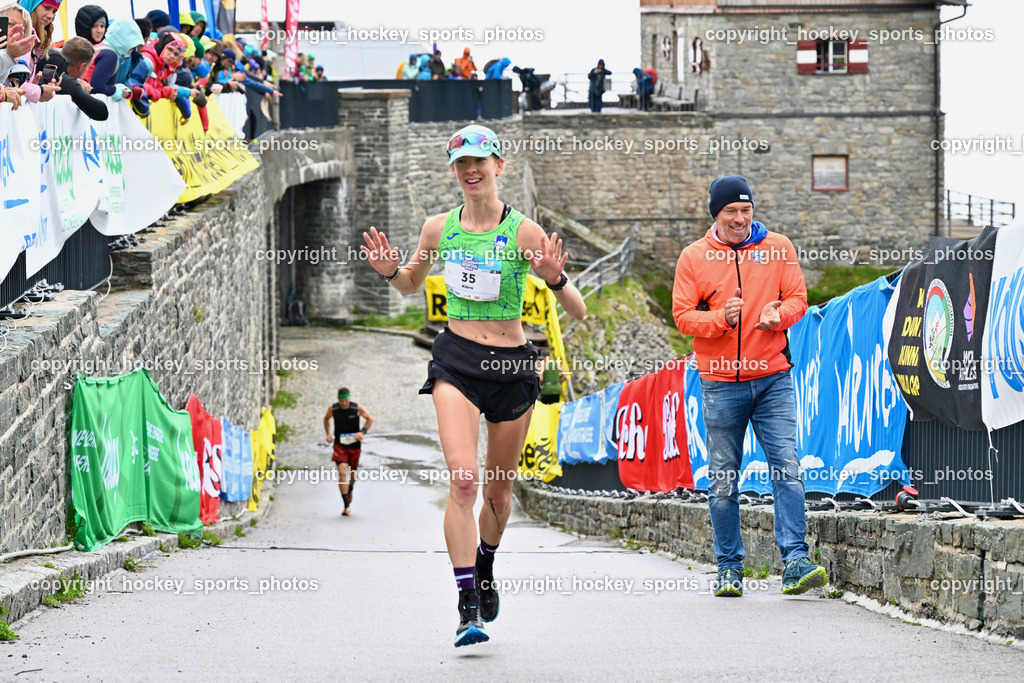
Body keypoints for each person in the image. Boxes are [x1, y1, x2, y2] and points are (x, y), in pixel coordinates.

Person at [361, 124, 586, 647]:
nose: (471, 170)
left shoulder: (524, 233)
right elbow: (409, 286)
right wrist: (391, 271)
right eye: (462, 162)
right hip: (456, 358)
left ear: (498, 166)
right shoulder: (438, 228)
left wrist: (554, 278)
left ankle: (485, 566)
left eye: (480, 161)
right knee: (463, 481)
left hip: (511, 366)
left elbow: (577, 309)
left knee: (498, 495)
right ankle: (467, 605)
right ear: (454, 170)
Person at [672, 175, 828, 598]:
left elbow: (798, 297)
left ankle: (795, 560)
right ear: (716, 215)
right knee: (723, 480)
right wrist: (722, 317)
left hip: (774, 378)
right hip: (720, 383)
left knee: (787, 467)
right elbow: (683, 317)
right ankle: (728, 568)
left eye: (746, 210)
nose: (740, 219)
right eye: (731, 212)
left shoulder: (779, 247)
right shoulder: (693, 257)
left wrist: (781, 315)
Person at [323, 388, 373, 516]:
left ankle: (350, 489)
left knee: (352, 474)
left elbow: (370, 419)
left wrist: (362, 432)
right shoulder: (333, 409)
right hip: (340, 445)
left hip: (354, 445)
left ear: (349, 399)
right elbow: (326, 419)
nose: (344, 403)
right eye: (342, 401)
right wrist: (328, 434)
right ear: (338, 400)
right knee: (341, 471)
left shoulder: (356, 408)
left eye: (346, 400)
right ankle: (346, 505)